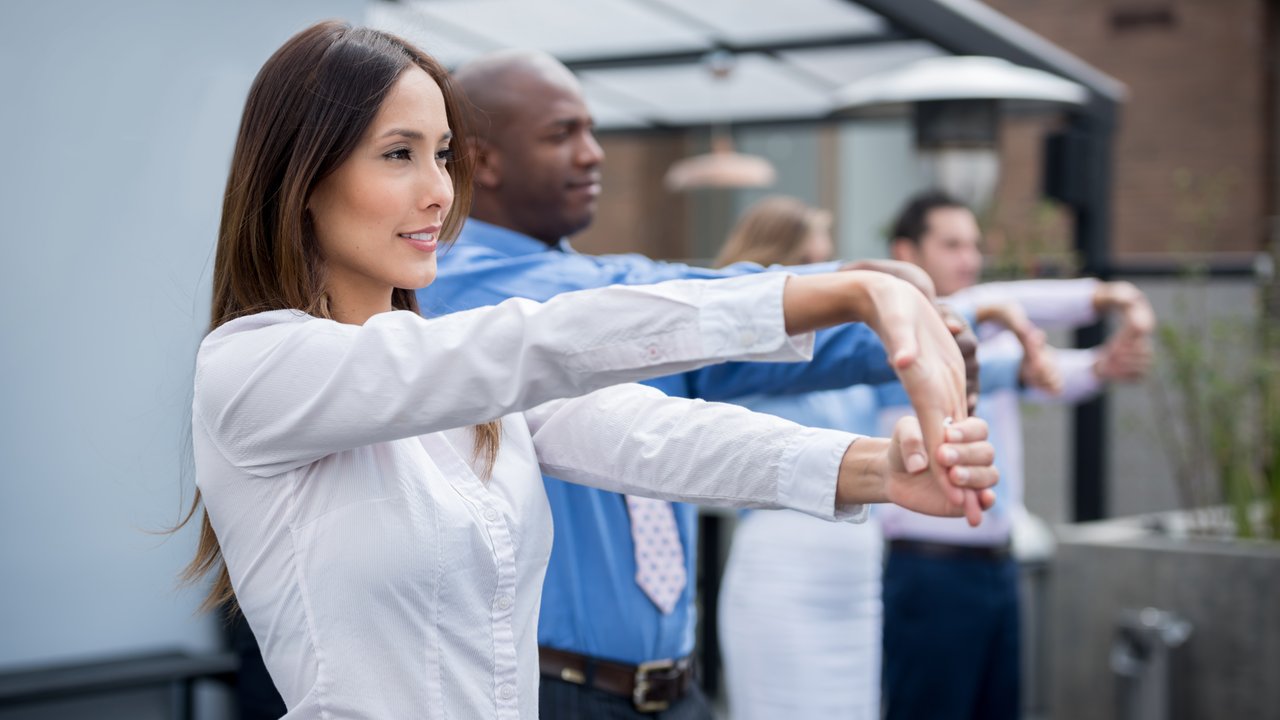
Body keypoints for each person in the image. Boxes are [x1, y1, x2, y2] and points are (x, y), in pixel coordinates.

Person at [181, 23, 998, 720]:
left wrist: (877, 471)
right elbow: (543, 341)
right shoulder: (256, 366)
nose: (438, 192)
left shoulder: (462, 385)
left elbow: (651, 438)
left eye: (441, 156)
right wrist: (831, 294)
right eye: (397, 154)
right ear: (303, 178)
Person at [418, 50, 986, 718]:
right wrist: (844, 291)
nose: (593, 153)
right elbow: (634, 307)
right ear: (483, 161)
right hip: (556, 692)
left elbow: (706, 379)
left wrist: (908, 334)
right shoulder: (453, 286)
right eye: (560, 134)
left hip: (675, 684)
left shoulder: (622, 305)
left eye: (592, 130)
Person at [878, 190, 1154, 720]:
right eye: (952, 244)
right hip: (929, 571)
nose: (970, 259)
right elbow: (1002, 303)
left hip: (998, 567)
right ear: (906, 253)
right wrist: (1106, 294)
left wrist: (1101, 365)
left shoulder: (982, 331)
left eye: (975, 245)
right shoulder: (895, 328)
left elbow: (1039, 372)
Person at [712, 197, 884, 720]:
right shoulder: (746, 352)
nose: (824, 281)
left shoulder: (845, 349)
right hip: (784, 573)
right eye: (811, 263)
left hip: (857, 581)